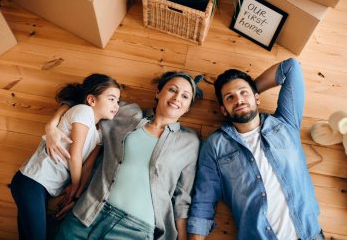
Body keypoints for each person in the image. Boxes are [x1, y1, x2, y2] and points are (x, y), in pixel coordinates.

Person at [46, 71, 201, 240]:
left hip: (136, 230)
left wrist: (183, 237)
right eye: (172, 90)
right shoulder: (126, 113)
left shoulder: (190, 142)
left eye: (185, 96)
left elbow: (182, 197)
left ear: (188, 107)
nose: (177, 97)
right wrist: (51, 125)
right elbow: (84, 97)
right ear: (158, 92)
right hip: (88, 214)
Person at [187, 58, 324, 240]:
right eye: (230, 98)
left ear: (257, 97)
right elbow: (203, 201)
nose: (239, 100)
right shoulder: (214, 145)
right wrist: (247, 94)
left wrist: (250, 90)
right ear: (223, 110)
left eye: (244, 93)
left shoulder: (286, 123)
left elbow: (291, 67)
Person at [10, 74, 121, 240]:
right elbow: (74, 156)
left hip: (44, 188)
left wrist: (75, 195)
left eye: (118, 101)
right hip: (32, 180)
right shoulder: (83, 112)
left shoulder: (99, 135)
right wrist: (75, 185)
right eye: (111, 99)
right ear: (91, 100)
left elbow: (87, 167)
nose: (116, 105)